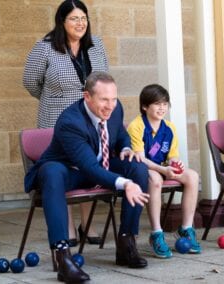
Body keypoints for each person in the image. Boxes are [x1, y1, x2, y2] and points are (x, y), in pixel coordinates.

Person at [24, 72, 150, 282]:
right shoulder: (70, 121)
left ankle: (126, 242)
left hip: (96, 167)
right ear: (87, 97)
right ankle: (63, 256)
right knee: (51, 172)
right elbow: (89, 167)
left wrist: (127, 147)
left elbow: (120, 133)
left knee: (137, 168)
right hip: (68, 172)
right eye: (104, 100)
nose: (110, 105)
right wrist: (125, 184)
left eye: (113, 99)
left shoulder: (115, 108)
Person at [23, 0, 109, 246]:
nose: (80, 23)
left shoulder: (96, 46)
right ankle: (68, 227)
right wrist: (53, 98)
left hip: (90, 119)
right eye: (74, 18)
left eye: (83, 18)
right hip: (55, 119)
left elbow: (104, 80)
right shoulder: (45, 48)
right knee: (62, 169)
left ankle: (88, 223)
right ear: (62, 21)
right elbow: (30, 81)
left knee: (88, 165)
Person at [127, 84, 201, 258]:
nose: (162, 108)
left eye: (165, 104)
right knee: (155, 179)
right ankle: (156, 233)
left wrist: (176, 165)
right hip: (142, 168)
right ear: (145, 106)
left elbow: (172, 155)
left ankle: (186, 228)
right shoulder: (136, 126)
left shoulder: (169, 128)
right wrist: (163, 170)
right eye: (157, 104)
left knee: (192, 176)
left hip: (163, 166)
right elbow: (141, 158)